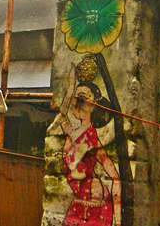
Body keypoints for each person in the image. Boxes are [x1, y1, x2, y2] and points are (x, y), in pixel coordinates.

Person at [59, 64, 121, 226]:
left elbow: (115, 178)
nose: (76, 103)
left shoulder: (91, 139)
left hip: (94, 205)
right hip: (79, 203)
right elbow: (63, 111)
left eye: (82, 98)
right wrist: (71, 85)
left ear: (93, 105)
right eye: (75, 98)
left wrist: (118, 219)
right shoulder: (70, 131)